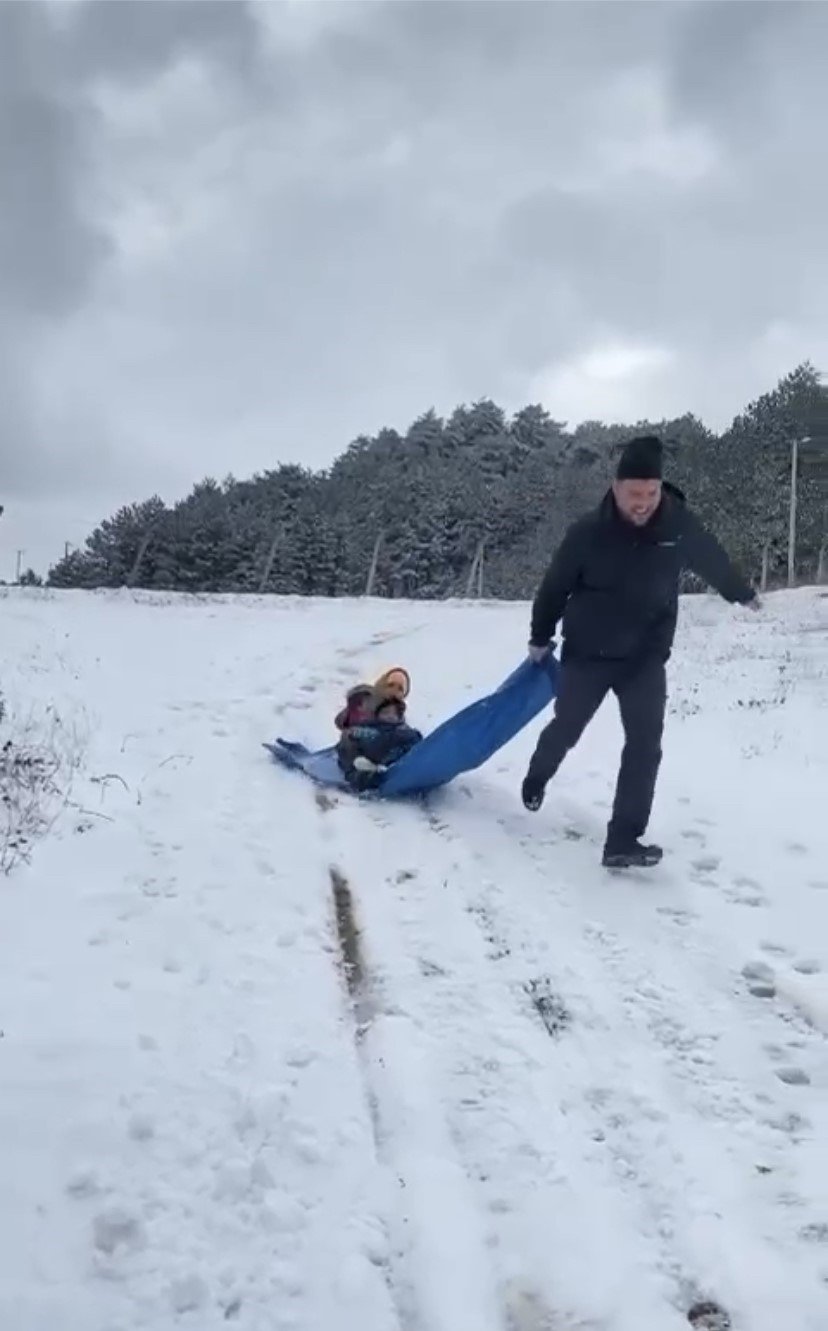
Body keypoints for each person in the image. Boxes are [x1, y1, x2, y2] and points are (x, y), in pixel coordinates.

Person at [521, 434, 759, 869]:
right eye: (635, 494)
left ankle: (623, 840)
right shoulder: (587, 533)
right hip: (588, 653)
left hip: (644, 655)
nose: (644, 503)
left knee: (645, 744)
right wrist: (540, 637)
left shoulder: (676, 525)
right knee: (568, 726)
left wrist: (740, 592)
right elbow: (554, 588)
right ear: (616, 488)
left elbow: (710, 557)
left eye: (651, 493)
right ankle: (538, 774)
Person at [336, 693, 422, 792]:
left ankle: (384, 767)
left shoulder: (403, 730)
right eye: (385, 713)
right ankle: (364, 774)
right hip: (369, 758)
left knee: (403, 747)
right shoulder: (367, 728)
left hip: (397, 762)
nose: (390, 716)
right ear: (377, 715)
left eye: (394, 713)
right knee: (349, 747)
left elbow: (415, 742)